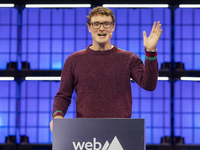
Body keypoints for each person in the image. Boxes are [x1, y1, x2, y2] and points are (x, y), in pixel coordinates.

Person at [50, 6, 162, 132]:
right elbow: (63, 96)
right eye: (96, 24)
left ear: (113, 27)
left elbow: (149, 85)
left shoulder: (129, 58)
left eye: (106, 24)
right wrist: (57, 117)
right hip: (84, 134)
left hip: (120, 132)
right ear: (89, 28)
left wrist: (150, 51)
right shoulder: (73, 60)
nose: (101, 28)